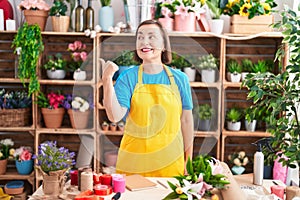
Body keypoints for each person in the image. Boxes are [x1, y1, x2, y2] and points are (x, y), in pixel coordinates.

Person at [101, 20, 194, 177]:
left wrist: (188, 161)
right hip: (134, 162)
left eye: (151, 37)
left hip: (170, 162)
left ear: (164, 44)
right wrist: (107, 80)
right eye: (140, 37)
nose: (144, 42)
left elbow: (186, 121)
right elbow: (114, 116)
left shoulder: (180, 79)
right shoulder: (127, 78)